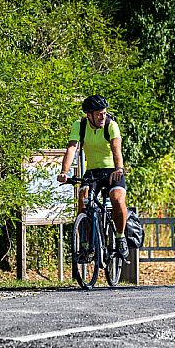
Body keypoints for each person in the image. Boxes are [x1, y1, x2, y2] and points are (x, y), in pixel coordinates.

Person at [57, 94, 129, 259]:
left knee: (117, 199)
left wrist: (119, 168)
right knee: (84, 199)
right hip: (93, 171)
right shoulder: (80, 126)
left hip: (112, 169)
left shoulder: (111, 125)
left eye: (104, 112)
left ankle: (120, 237)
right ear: (88, 115)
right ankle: (85, 244)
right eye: (98, 114)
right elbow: (72, 149)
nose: (102, 116)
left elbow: (116, 149)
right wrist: (64, 171)